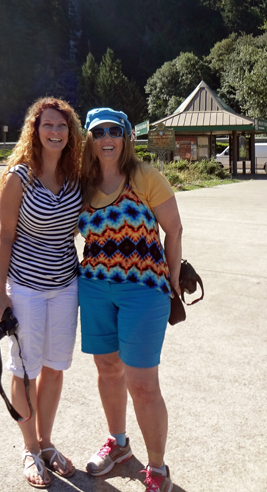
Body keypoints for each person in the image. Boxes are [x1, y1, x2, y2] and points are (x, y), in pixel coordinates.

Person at [77, 108, 183, 492]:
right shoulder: (82, 183)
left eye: (114, 131)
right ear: (89, 139)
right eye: (98, 131)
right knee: (107, 369)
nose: (107, 138)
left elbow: (174, 229)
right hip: (93, 287)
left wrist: (171, 280)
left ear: (125, 137)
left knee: (142, 383)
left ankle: (157, 470)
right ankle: (118, 445)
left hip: (143, 290)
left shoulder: (144, 177)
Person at [0, 97, 83, 488]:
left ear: (69, 132)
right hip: (25, 288)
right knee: (24, 370)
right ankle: (29, 448)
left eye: (62, 126)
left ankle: (45, 444)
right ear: (35, 130)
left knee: (55, 367)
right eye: (48, 126)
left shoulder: (75, 177)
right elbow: (5, 236)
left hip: (65, 287)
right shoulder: (19, 177)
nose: (56, 132)